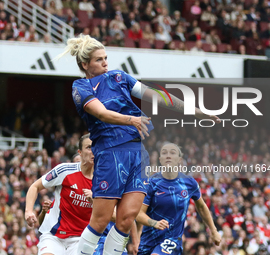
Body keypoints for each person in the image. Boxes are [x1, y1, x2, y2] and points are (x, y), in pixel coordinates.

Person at [56, 34, 220, 255]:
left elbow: (157, 96)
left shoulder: (119, 77)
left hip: (137, 152)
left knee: (125, 220)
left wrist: (196, 111)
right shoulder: (81, 86)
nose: (105, 63)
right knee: (101, 220)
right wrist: (131, 119)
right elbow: (101, 113)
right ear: (85, 64)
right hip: (110, 152)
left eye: (106, 58)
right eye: (98, 60)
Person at [136, 143, 221, 255]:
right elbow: (138, 214)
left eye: (172, 153)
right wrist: (154, 223)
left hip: (172, 240)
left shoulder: (189, 183)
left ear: (179, 160)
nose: (168, 156)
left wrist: (213, 231)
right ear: (160, 160)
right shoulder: (151, 183)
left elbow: (201, 207)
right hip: (148, 242)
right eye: (164, 153)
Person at [24, 134, 94, 255]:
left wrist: (96, 200)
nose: (93, 151)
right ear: (80, 152)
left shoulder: (104, 180)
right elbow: (35, 186)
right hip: (54, 235)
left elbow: (112, 213)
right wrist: (28, 211)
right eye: (88, 147)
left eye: (96, 147)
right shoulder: (65, 170)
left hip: (82, 238)